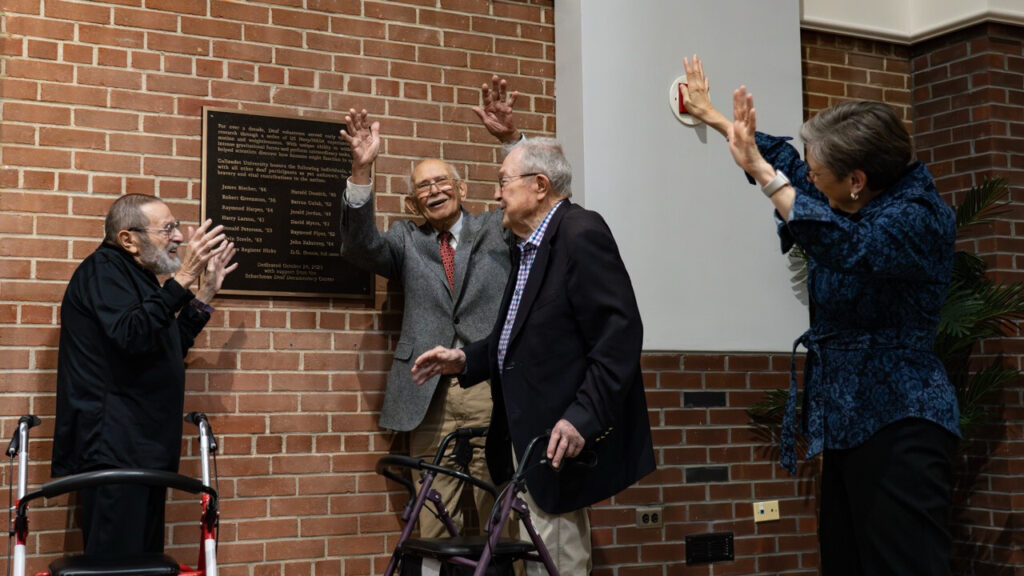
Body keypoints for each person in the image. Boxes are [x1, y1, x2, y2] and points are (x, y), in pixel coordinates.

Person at [681, 55, 961, 575]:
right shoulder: (851, 199)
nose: (809, 176)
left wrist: (763, 173)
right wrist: (717, 117)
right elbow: (787, 167)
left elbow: (848, 247)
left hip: (902, 420)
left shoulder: (917, 217)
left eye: (819, 171)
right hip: (849, 419)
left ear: (856, 178)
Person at [411, 137, 656, 575]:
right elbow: (518, 338)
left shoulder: (581, 233)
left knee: (556, 562)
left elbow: (619, 336)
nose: (496, 194)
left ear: (539, 185)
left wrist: (583, 416)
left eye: (504, 182)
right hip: (525, 446)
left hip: (557, 444)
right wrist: (465, 360)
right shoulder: (528, 247)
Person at [337, 76, 522, 538]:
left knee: (501, 512)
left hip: (488, 386)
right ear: (412, 200)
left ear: (461, 187)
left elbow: (535, 200)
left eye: (442, 180)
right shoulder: (406, 238)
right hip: (426, 395)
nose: (434, 190)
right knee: (434, 520)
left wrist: (510, 141)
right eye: (423, 186)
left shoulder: (496, 229)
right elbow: (361, 247)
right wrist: (362, 172)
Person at [52, 194, 237, 557]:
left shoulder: (141, 278)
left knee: (144, 561)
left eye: (177, 226)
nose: (180, 237)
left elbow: (165, 346)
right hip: (115, 452)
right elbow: (131, 334)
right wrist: (184, 276)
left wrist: (206, 292)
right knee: (117, 565)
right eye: (168, 228)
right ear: (128, 239)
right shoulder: (104, 270)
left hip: (144, 448)